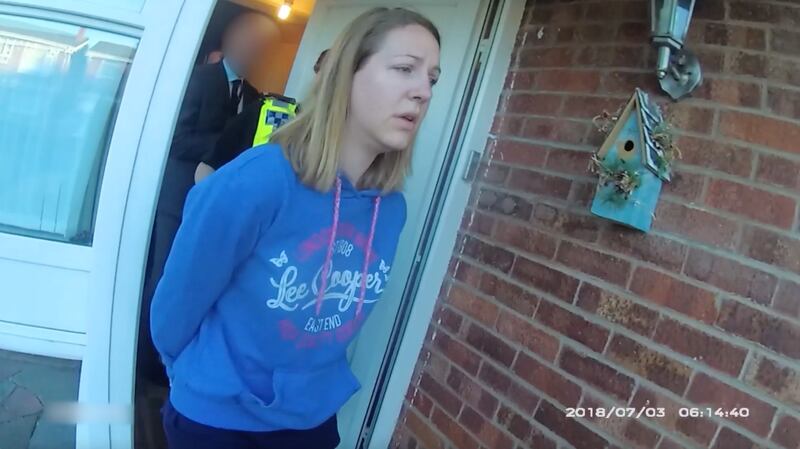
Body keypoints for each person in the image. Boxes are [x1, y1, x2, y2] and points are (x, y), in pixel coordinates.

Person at [150, 7, 441, 449]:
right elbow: (175, 311)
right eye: (405, 69)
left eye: (432, 79)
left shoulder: (390, 210)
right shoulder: (257, 181)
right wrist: (195, 381)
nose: (423, 91)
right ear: (347, 74)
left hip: (311, 423)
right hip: (217, 422)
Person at [138, 11, 279, 387]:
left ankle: (171, 365)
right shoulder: (198, 79)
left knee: (194, 282)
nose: (256, 51)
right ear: (232, 39)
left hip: (217, 208)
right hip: (178, 196)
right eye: (251, 41)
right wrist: (226, 147)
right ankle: (143, 365)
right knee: (163, 278)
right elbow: (175, 138)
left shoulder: (255, 98)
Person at [194, 49, 330, 182]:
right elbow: (208, 165)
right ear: (318, 75)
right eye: (330, 76)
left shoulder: (337, 147)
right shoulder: (268, 111)